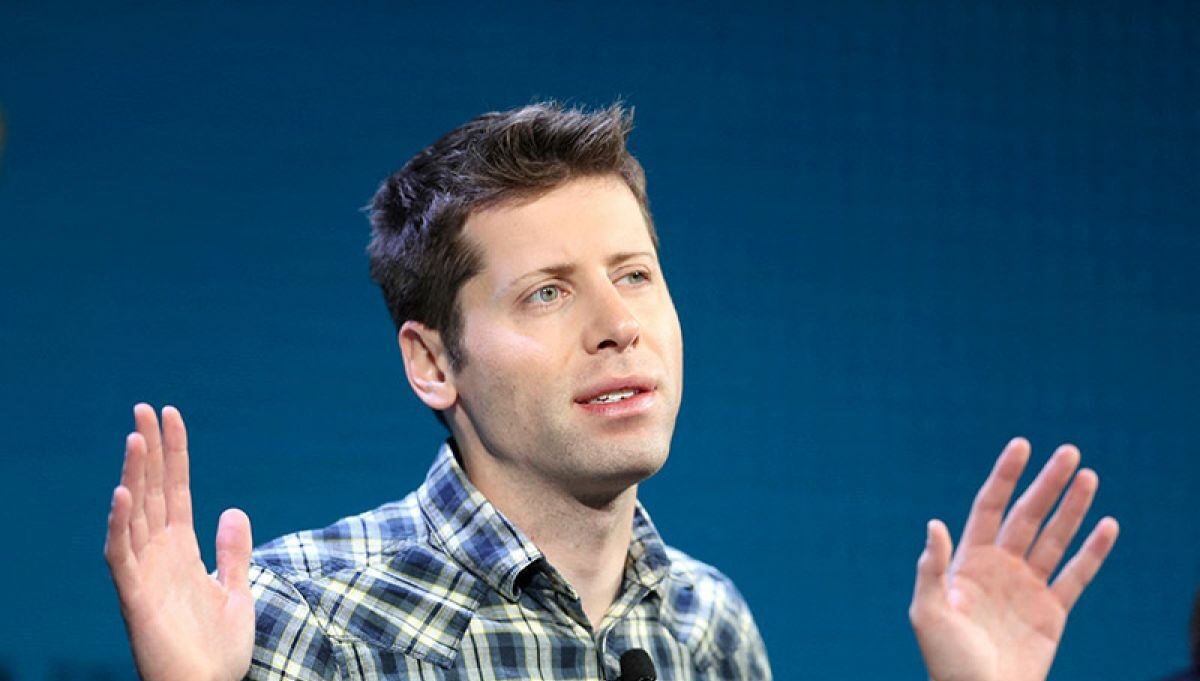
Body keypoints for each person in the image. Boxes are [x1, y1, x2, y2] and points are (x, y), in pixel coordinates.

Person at [103, 102, 1120, 681]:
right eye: (548, 292)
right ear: (432, 363)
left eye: (633, 274)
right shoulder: (298, 614)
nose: (617, 324)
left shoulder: (710, 627)